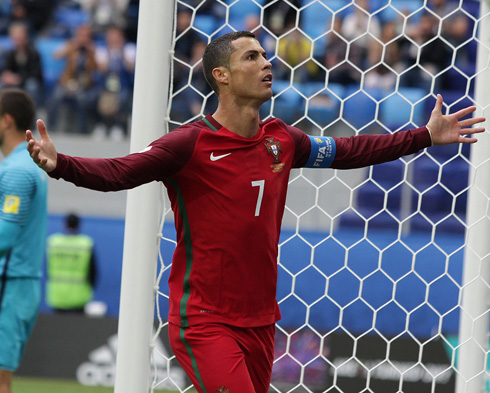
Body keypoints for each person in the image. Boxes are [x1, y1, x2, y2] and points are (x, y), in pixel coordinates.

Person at [26, 31, 485, 393]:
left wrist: (422, 136)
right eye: (251, 57)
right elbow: (120, 172)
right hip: (204, 320)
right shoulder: (189, 144)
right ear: (221, 76)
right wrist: (60, 164)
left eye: (266, 56)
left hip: (261, 319)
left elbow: (349, 149)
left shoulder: (281, 138)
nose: (267, 64)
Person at [0, 88, 47, 393]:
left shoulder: (18, 170)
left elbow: (6, 233)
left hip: (11, 283)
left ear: (6, 121)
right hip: (18, 282)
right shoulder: (24, 165)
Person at [46, 24, 99, 134]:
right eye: (81, 36)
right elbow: (56, 55)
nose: (83, 39)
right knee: (55, 97)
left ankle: (82, 130)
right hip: (67, 83)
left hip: (83, 85)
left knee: (83, 100)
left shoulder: (92, 50)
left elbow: (97, 68)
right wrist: (72, 48)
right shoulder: (70, 45)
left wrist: (90, 53)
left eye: (86, 36)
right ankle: (49, 128)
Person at [45, 213, 97, 313]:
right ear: (79, 225)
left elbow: (47, 267)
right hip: (80, 296)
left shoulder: (53, 242)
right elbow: (93, 271)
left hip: (57, 295)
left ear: (64, 225)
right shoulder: (85, 243)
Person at [0, 22, 44, 108]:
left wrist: (19, 78)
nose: (18, 41)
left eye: (20, 38)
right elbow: (6, 69)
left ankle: (32, 111)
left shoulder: (33, 53)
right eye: (15, 39)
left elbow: (36, 73)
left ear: (26, 37)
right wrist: (7, 76)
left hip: (27, 81)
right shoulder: (10, 53)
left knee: (32, 85)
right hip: (15, 81)